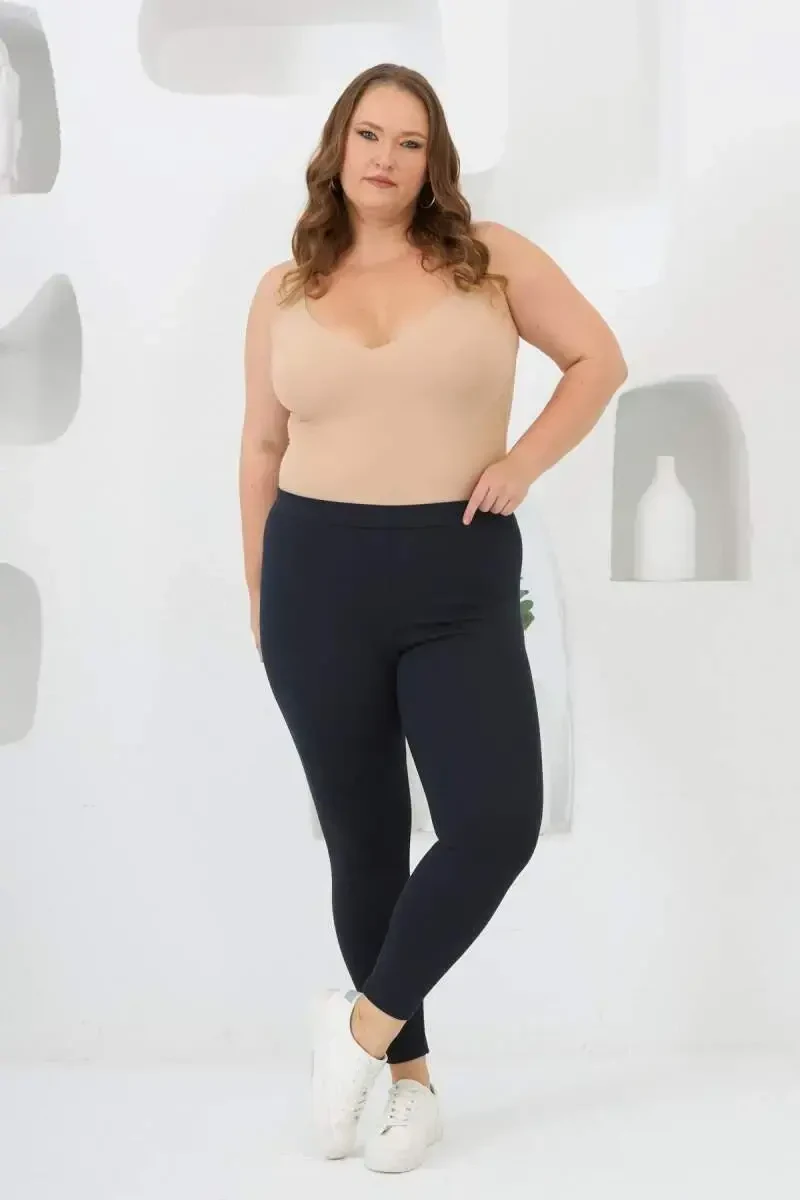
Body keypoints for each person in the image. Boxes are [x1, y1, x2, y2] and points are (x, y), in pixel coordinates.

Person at [238, 62, 627, 1173]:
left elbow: (597, 359)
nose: (386, 158)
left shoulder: (487, 259)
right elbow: (261, 446)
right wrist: (262, 594)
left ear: (433, 161)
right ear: (337, 146)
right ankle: (409, 1086)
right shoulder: (283, 288)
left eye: (409, 142)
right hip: (314, 580)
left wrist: (522, 462)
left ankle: (354, 1033)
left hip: (455, 574)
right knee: (364, 842)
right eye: (369, 134)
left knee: (495, 822)